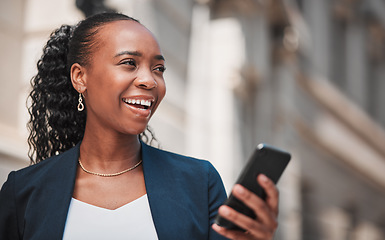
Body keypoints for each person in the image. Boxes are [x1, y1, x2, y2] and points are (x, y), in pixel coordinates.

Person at [0, 12, 279, 240]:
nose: (150, 81)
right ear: (80, 77)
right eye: (129, 63)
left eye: (158, 69)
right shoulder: (23, 192)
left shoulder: (199, 182)